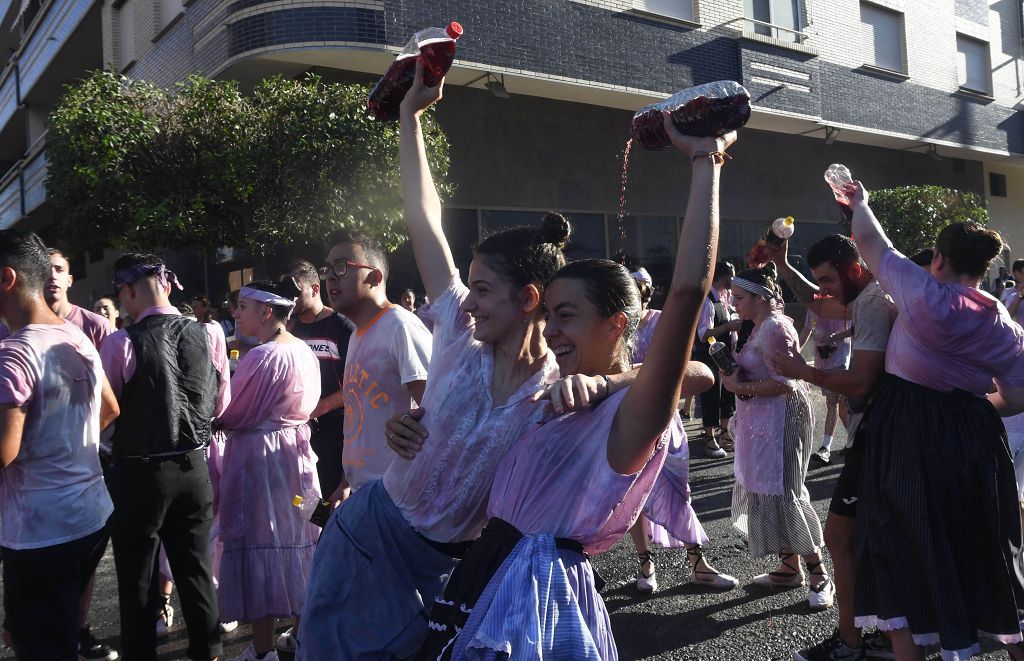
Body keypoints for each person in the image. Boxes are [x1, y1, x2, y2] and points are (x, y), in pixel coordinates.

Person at [298, 62, 603, 659]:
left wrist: (608, 378)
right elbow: (423, 219)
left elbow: (686, 376)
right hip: (371, 532)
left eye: (483, 288)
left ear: (529, 299)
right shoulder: (460, 331)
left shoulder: (555, 390)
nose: (469, 299)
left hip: (449, 572)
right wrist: (411, 115)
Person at [415, 111, 734, 661]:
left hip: (540, 599)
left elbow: (686, 294)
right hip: (483, 573)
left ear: (615, 323)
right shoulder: (555, 393)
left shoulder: (630, 416)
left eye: (567, 315)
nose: (552, 330)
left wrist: (707, 159)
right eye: (550, 315)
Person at [845, 184, 1024, 661]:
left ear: (939, 257)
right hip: (974, 434)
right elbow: (1017, 395)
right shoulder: (1002, 321)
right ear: (984, 269)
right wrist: (977, 411)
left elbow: (872, 244)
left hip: (907, 430)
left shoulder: (921, 291)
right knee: (985, 540)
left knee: (900, 542)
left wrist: (859, 202)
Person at [767, 234, 897, 661]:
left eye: (828, 278)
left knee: (842, 535)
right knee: (861, 538)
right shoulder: (862, 296)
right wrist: (784, 266)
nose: (823, 287)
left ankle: (855, 641)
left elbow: (861, 382)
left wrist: (802, 370)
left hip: (882, 436)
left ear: (854, 269)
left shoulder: (875, 303)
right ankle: (875, 637)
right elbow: (822, 304)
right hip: (874, 434)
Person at [100, 253, 228, 661]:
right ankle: (207, 650)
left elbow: (105, 414)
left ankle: (141, 654)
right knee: (196, 571)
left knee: (137, 578)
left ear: (129, 290)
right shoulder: (209, 334)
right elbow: (220, 404)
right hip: (194, 466)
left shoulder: (121, 341)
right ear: (168, 286)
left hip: (140, 471)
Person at [0, 229, 119, 660]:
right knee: (55, 632)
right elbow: (110, 410)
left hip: (40, 531)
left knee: (37, 644)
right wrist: (67, 446)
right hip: (89, 514)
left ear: (6, 278)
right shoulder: (78, 337)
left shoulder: (14, 353)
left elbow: (4, 452)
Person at [216, 279, 323, 661]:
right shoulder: (303, 351)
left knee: (261, 540)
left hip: (262, 461)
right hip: (295, 456)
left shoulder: (263, 356)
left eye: (242, 306)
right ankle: (296, 635)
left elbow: (233, 412)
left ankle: (262, 650)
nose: (236, 313)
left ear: (265, 311)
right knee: (297, 537)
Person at [721, 262, 833, 611]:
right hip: (762, 421)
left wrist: (738, 386)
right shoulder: (759, 326)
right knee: (768, 487)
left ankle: (819, 575)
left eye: (739, 297)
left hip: (782, 421)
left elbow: (785, 384)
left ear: (760, 297)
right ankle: (789, 567)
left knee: (785, 491)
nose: (733, 302)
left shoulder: (774, 328)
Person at [626, 265, 736, 594]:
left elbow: (681, 362)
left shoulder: (661, 321)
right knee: (633, 495)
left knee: (678, 488)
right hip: (631, 420)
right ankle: (646, 564)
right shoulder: (615, 327)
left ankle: (698, 563)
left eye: (638, 293)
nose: (634, 300)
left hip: (666, 419)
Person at [316, 234, 431, 502]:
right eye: (328, 269)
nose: (331, 277)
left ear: (375, 277)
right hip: (361, 492)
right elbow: (360, 416)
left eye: (342, 266)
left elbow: (439, 411)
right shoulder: (357, 334)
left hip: (397, 495)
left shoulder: (400, 327)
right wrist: (346, 482)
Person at [281, 259, 354, 498]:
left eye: (296, 291)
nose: (291, 299)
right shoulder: (289, 331)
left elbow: (354, 385)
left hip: (335, 433)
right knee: (301, 499)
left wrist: (316, 409)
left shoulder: (342, 326)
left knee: (330, 500)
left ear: (314, 289)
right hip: (299, 432)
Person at [695, 261, 740, 457]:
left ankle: (725, 434)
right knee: (711, 394)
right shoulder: (707, 301)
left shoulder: (724, 298)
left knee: (727, 393)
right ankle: (709, 437)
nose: (734, 279)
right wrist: (727, 328)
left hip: (724, 354)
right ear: (722, 276)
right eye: (732, 275)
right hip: (710, 354)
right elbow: (703, 333)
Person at [797, 309, 850, 464]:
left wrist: (836, 336)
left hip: (840, 359)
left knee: (833, 402)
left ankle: (825, 449)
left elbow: (856, 328)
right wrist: (794, 351)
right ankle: (859, 441)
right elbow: (808, 328)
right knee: (842, 407)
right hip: (823, 359)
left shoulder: (843, 303)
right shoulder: (815, 305)